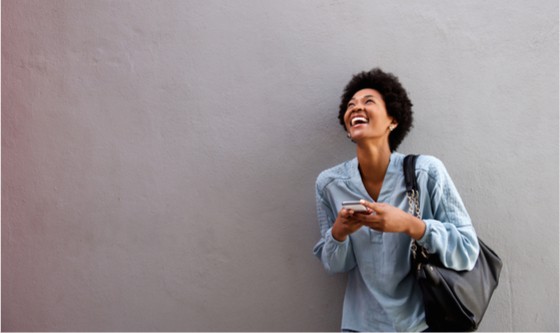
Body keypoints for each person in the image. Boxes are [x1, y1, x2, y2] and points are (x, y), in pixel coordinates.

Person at [313, 68, 480, 332]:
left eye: (368, 101)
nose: (356, 107)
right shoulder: (329, 184)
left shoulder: (426, 172)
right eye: (350, 105)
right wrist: (339, 232)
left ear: (392, 120)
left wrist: (410, 225)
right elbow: (335, 266)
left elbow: (468, 252)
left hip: (422, 324)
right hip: (360, 325)